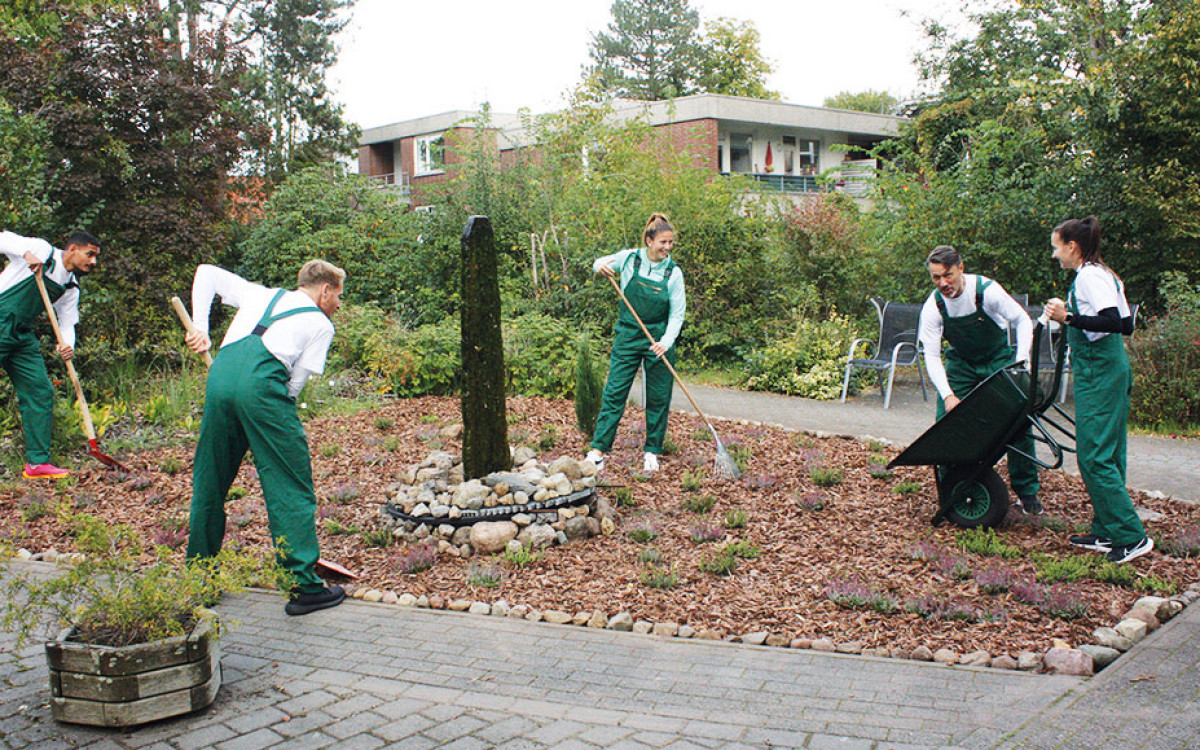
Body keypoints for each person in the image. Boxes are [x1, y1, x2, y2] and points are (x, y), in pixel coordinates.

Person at [185, 261, 347, 615]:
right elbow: (293, 387)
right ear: (324, 289)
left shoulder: (260, 294)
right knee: (289, 481)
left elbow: (206, 273)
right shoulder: (321, 324)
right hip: (263, 386)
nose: (338, 304)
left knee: (210, 479)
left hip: (220, 379)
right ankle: (302, 586)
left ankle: (198, 581)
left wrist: (201, 328)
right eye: (338, 296)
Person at [1044, 217, 1152, 565]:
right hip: (1105, 370)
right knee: (1108, 452)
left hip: (1101, 372)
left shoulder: (1090, 276)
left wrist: (1068, 318)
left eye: (1056, 246)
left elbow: (1120, 324)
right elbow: (1119, 321)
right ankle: (1107, 529)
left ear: (1072, 246)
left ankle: (1131, 537)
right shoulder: (1098, 274)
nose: (1055, 253)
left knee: (1094, 456)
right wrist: (1072, 313)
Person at [917, 245, 1043, 514]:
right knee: (947, 425)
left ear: (961, 268)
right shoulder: (933, 306)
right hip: (961, 365)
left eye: (948, 275)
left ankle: (1027, 492)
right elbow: (930, 355)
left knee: (1018, 421)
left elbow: (1021, 320)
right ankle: (954, 488)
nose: (943, 283)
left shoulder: (986, 291)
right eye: (936, 278)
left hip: (997, 359)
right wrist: (949, 395)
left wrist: (1021, 362)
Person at [585, 213, 686, 474]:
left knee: (658, 397)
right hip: (628, 336)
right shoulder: (630, 258)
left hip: (659, 339)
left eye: (671, 243)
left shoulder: (673, 273)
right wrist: (600, 267)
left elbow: (677, 314)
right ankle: (598, 451)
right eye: (663, 242)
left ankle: (652, 451)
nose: (667, 247)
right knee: (615, 392)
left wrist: (666, 342)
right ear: (649, 240)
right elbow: (599, 262)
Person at [0, 230, 100, 479]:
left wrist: (67, 345)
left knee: (40, 390)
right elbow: (2, 238)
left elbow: (67, 323)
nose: (93, 262)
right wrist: (26, 253)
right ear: (73, 249)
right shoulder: (42, 251)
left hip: (22, 335)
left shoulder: (70, 287)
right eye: (90, 254)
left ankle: (37, 463)